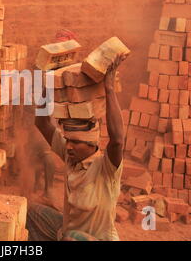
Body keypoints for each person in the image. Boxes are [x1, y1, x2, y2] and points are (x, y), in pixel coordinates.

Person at [27, 54, 127, 241]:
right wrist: (49, 86)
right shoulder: (70, 154)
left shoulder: (106, 168)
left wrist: (109, 89)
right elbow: (41, 123)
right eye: (68, 140)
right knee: (31, 212)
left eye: (76, 142)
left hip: (95, 239)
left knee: (71, 238)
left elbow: (118, 140)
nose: (69, 146)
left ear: (92, 143)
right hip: (66, 231)